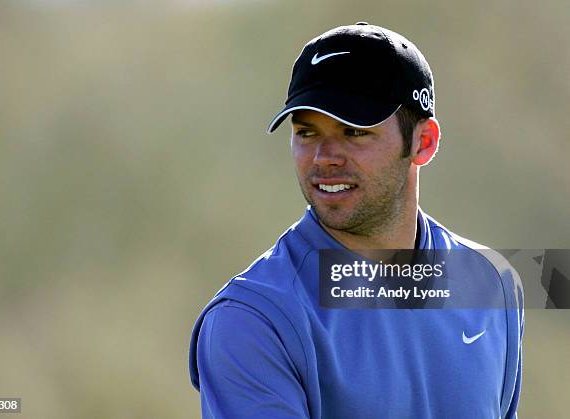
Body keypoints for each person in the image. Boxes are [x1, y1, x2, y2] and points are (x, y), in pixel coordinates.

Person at [188, 22, 523, 418]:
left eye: (354, 131)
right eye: (306, 132)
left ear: (424, 142)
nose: (324, 157)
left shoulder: (491, 283)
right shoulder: (252, 321)